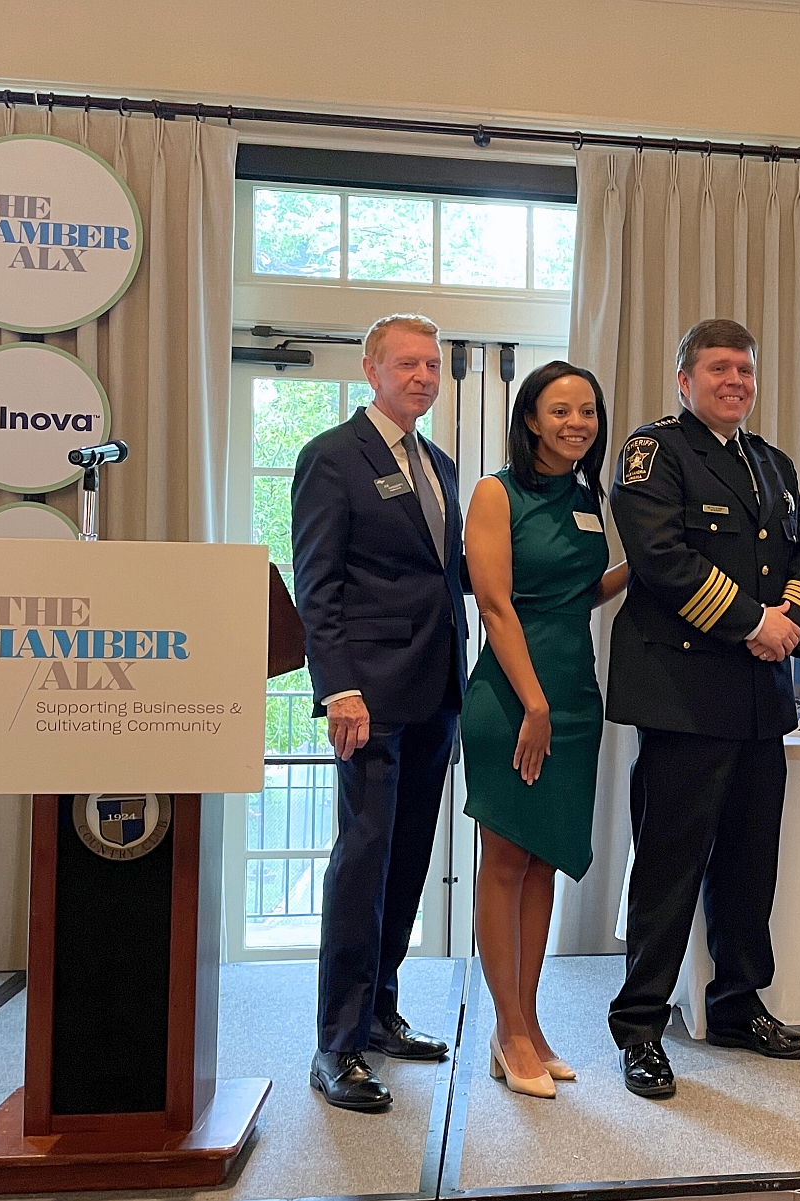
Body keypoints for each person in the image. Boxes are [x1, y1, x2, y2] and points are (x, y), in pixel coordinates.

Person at [605, 318, 800, 1099]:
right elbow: (662, 559)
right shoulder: (653, 451)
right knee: (668, 869)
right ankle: (639, 1025)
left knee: (747, 866)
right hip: (684, 693)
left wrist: (790, 616)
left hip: (760, 700)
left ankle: (737, 1003)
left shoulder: (771, 461)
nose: (736, 381)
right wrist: (754, 622)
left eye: (746, 370)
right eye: (720, 368)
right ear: (684, 378)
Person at [292, 314, 465, 1112]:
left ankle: (381, 1012)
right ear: (371, 368)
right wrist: (339, 686)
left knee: (406, 861)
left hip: (436, 691)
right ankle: (337, 1043)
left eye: (432, 363)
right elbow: (317, 584)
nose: (424, 375)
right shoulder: (332, 456)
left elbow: (446, 575)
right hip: (369, 696)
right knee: (362, 862)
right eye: (407, 362)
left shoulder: (439, 463)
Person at [460, 362, 629, 1098]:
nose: (577, 423)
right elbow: (495, 606)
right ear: (531, 417)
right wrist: (531, 703)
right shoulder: (496, 492)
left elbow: (579, 591)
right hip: (512, 693)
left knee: (545, 858)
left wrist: (640, 567)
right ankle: (506, 1029)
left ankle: (528, 1021)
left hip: (573, 691)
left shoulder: (586, 496)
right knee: (506, 856)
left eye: (587, 411)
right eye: (561, 410)